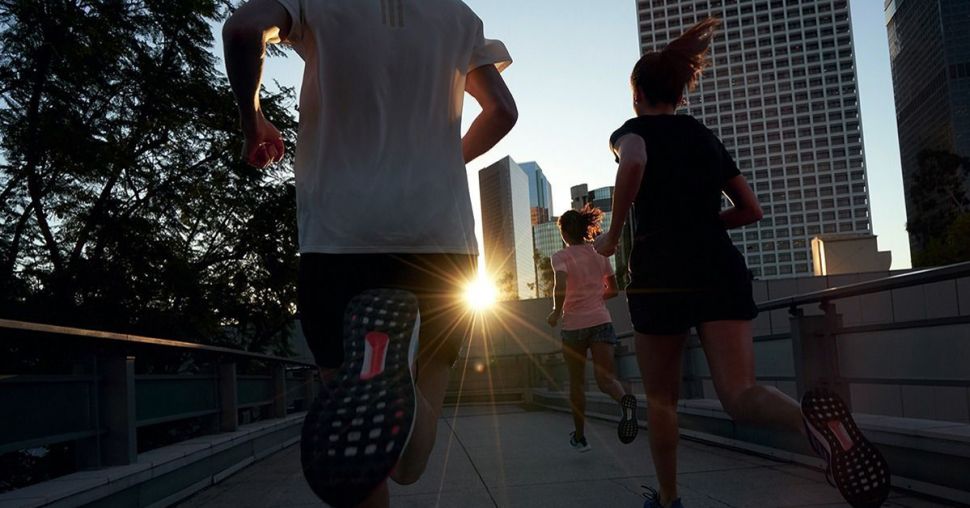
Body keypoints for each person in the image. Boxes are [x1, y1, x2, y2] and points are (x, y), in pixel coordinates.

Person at [222, 1, 517, 507]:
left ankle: (375, 368)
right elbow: (503, 111)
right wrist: (444, 159)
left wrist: (253, 122)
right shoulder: (456, 14)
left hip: (338, 240)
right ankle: (392, 373)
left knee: (360, 458)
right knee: (408, 463)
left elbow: (243, 28)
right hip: (438, 241)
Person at [594, 17, 890, 508]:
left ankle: (668, 500)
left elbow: (635, 160)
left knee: (663, 402)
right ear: (679, 90)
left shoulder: (632, 131)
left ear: (637, 93)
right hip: (719, 269)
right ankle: (811, 422)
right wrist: (705, 224)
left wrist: (614, 232)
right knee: (740, 392)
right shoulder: (704, 137)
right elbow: (752, 210)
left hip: (661, 276)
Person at [547, 206, 639, 452]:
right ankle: (624, 400)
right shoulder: (600, 254)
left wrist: (556, 312)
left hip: (574, 326)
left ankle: (580, 437)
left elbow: (560, 286)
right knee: (606, 379)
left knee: (577, 384)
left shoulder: (560, 257)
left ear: (565, 232)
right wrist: (594, 298)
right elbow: (613, 289)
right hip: (601, 321)